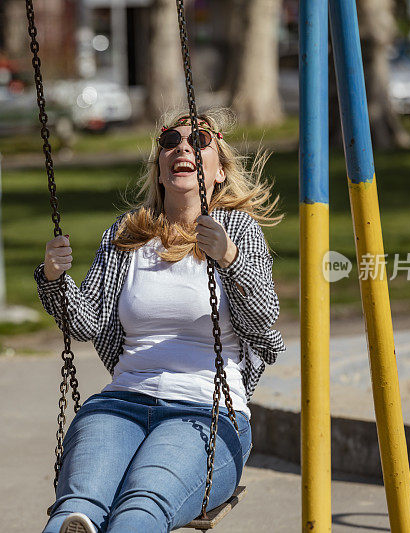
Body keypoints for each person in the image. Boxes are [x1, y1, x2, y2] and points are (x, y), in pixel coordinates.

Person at [34, 108, 286, 533]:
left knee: (140, 508)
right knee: (76, 509)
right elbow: (86, 322)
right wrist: (55, 280)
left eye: (199, 142)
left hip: (206, 412)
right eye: (170, 142)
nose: (183, 148)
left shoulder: (237, 231)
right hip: (121, 403)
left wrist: (229, 259)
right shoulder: (128, 234)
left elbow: (263, 319)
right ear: (160, 168)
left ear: (220, 171)